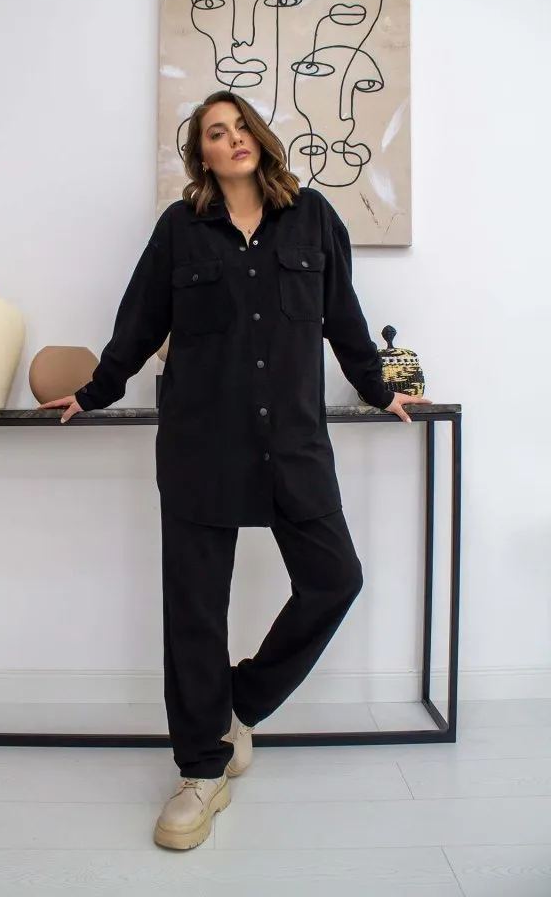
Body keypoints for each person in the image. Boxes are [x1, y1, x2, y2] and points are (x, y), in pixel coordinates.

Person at [41, 90, 431, 851]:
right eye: (216, 133)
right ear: (203, 156)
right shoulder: (179, 230)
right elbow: (138, 322)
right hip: (202, 444)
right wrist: (94, 391)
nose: (233, 138)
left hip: (293, 442)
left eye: (241, 125)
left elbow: (345, 318)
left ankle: (238, 706)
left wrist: (379, 387)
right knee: (195, 611)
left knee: (335, 579)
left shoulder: (312, 218)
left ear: (259, 137)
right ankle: (199, 772)